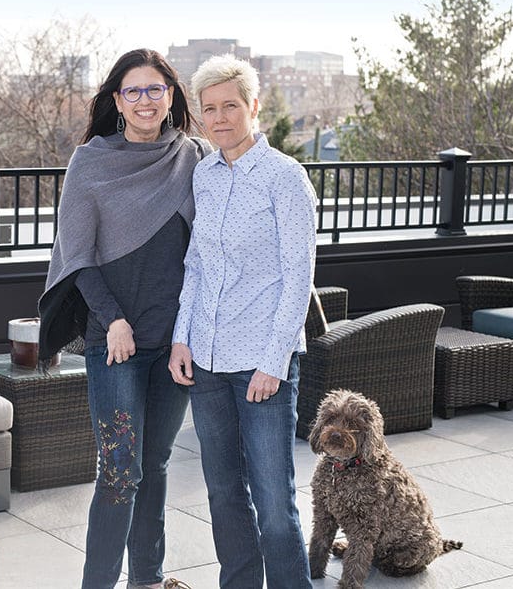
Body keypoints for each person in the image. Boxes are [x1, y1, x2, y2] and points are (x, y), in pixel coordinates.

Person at [38, 48, 206, 589]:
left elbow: (213, 246)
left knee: (153, 467)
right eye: (133, 91)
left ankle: (149, 580)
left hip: (175, 343)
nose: (145, 100)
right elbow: (77, 254)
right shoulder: (91, 161)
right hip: (114, 344)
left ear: (172, 96)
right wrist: (111, 319)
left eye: (155, 89)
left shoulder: (194, 157)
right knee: (118, 473)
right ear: (117, 100)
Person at [168, 54, 316, 589]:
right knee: (223, 492)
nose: (221, 117)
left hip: (263, 367)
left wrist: (274, 362)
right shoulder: (203, 176)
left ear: (254, 107)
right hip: (205, 362)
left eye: (231, 105)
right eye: (210, 108)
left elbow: (299, 279)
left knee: (275, 501)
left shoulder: (285, 178)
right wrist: (181, 337)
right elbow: (197, 266)